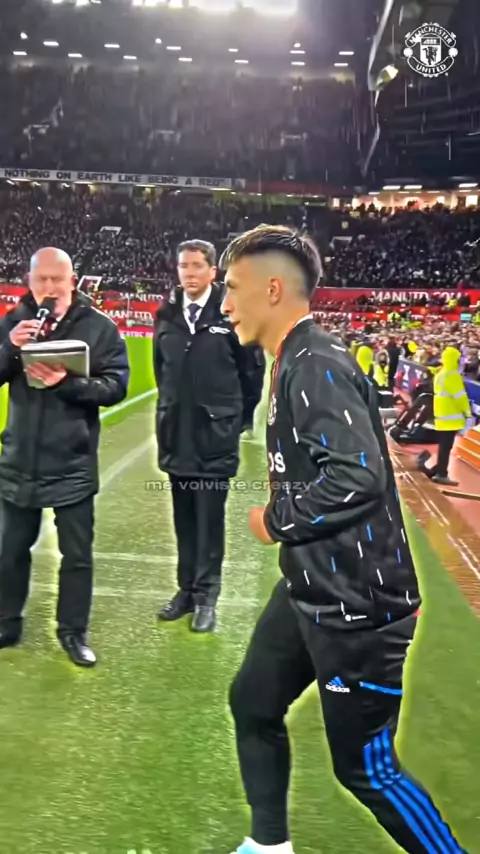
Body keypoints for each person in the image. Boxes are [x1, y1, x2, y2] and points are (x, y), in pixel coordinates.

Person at [218, 225, 467, 854]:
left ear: (273, 290)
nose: (225, 303)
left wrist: (275, 520)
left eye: (233, 288)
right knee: (254, 701)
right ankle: (269, 845)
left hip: (359, 607)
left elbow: (357, 475)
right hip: (312, 586)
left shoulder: (316, 365)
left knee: (367, 771)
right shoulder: (296, 359)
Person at [0, 247, 129, 667]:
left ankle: (73, 632)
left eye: (58, 279)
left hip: (72, 462)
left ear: (72, 281)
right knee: (9, 550)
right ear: (30, 281)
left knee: (76, 556)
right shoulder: (14, 322)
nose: (50, 287)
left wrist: (66, 383)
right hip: (20, 458)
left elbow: (115, 387)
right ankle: (6, 622)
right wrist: (10, 349)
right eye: (42, 279)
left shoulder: (99, 327)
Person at [154, 239, 265, 634]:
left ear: (212, 271)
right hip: (177, 435)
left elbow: (252, 375)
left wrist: (233, 421)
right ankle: (186, 591)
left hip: (215, 437)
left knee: (209, 521)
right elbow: (162, 371)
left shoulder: (231, 311)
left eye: (197, 266)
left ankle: (207, 597)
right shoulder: (166, 313)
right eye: (184, 266)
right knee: (184, 520)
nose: (189, 273)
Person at [417, 346, 471, 487]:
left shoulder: (441, 374)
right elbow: (460, 397)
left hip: (442, 415)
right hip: (452, 416)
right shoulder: (453, 376)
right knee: (446, 447)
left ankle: (439, 471)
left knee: (443, 446)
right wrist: (467, 412)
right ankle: (441, 474)